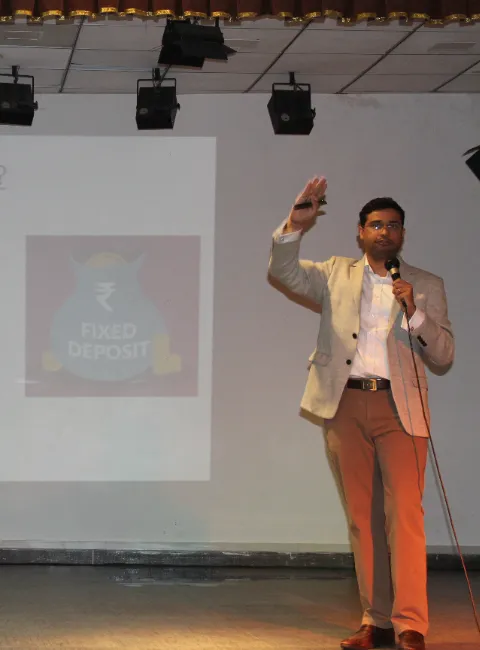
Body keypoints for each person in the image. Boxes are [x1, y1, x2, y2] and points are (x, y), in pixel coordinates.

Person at [268, 177, 454, 650]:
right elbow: (284, 272)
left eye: (393, 225)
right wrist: (295, 226)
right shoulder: (335, 273)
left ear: (402, 234)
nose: (384, 232)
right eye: (375, 225)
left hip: (401, 409)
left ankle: (411, 623)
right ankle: (376, 620)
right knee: (362, 517)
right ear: (360, 232)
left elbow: (443, 354)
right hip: (345, 403)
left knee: (405, 515)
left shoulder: (425, 285)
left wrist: (414, 311)